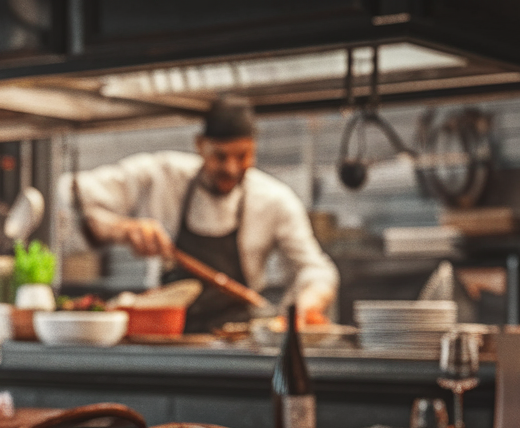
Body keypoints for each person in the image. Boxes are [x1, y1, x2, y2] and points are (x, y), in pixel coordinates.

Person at [68, 95, 338, 332]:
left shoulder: (275, 199)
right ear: (200, 145)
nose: (231, 168)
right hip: (164, 333)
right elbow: (69, 195)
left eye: (243, 156)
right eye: (220, 156)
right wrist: (121, 229)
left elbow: (316, 270)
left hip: (238, 338)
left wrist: (306, 305)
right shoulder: (162, 176)